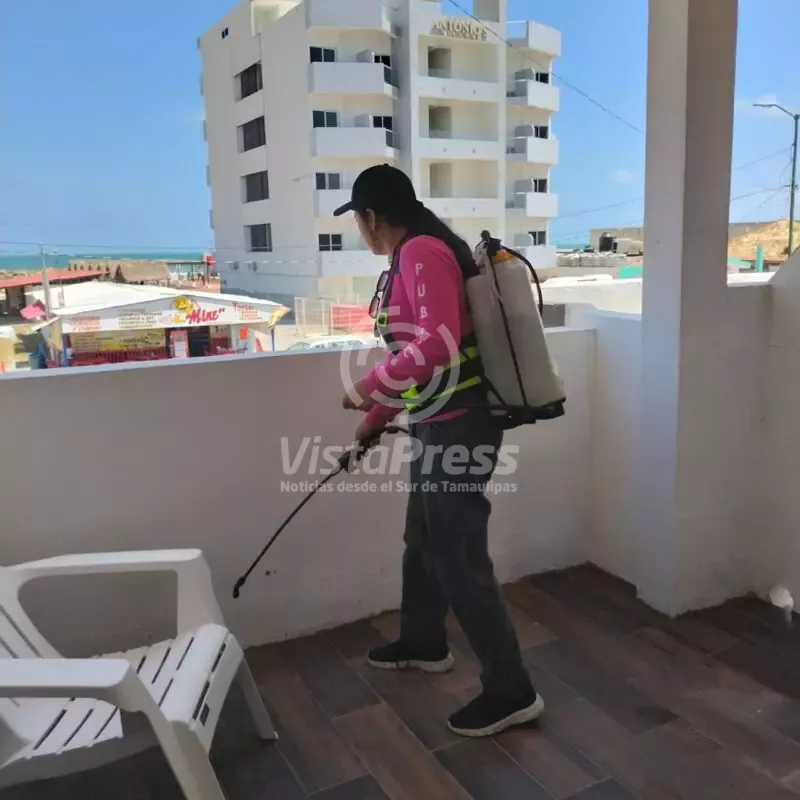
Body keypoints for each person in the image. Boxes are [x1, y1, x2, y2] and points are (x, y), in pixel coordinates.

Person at [335, 164, 543, 737]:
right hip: (435, 421)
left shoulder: (423, 253)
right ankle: (424, 642)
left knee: (459, 557)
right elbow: (414, 352)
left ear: (371, 217)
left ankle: (512, 691)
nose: (359, 229)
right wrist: (378, 418)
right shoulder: (410, 255)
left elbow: (438, 343)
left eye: (358, 219)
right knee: (423, 539)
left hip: (460, 426)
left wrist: (368, 387)